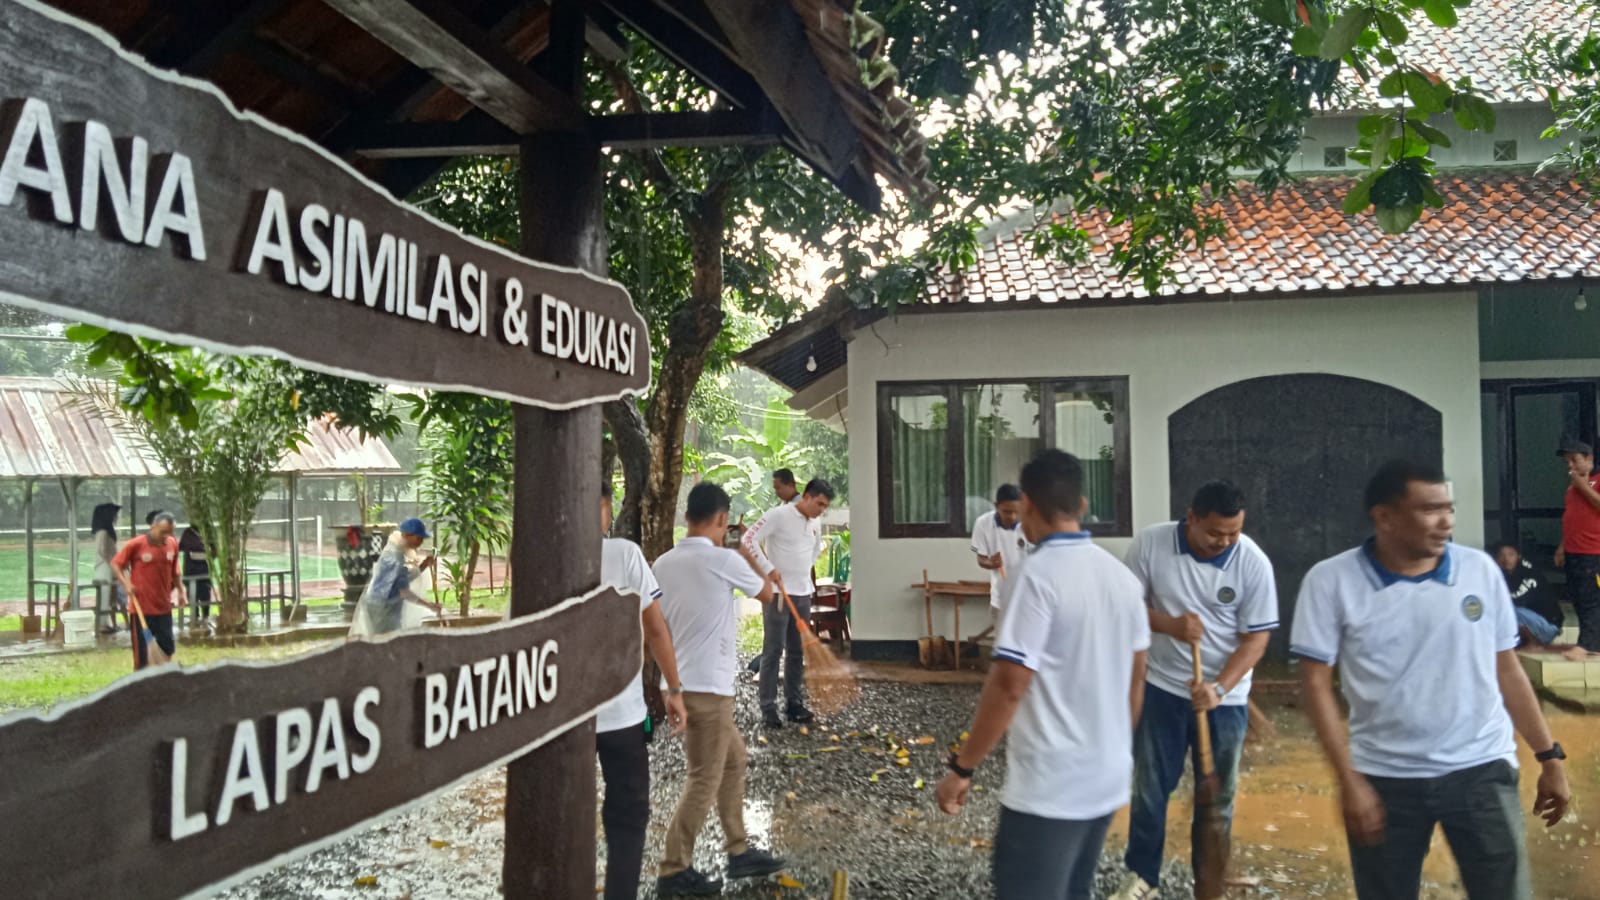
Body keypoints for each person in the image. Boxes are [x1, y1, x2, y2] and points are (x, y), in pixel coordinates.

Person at [1291, 460, 1571, 900]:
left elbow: (1507, 669)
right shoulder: (1331, 582)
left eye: (1449, 508)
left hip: (1481, 770)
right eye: (1430, 510)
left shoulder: (1480, 571)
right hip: (1384, 777)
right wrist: (1349, 781)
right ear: (1384, 516)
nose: (1446, 522)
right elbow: (1313, 685)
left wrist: (1549, 758)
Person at [936, 450, 1150, 900]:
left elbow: (1009, 686)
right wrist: (1114, 749)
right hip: (1106, 778)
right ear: (1082, 506)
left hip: (1050, 786)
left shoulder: (1035, 576)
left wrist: (962, 767)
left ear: (1027, 505)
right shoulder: (1122, 579)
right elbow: (1136, 680)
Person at [1113, 481, 1278, 900]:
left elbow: (1256, 640)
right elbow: (1124, 608)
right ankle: (1143, 877)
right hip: (1162, 688)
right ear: (1191, 518)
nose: (1224, 542)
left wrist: (1219, 688)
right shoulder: (1151, 544)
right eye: (1215, 533)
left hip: (1225, 699)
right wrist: (1169, 625)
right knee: (1150, 789)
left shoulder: (1252, 562)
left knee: (1217, 797)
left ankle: (1209, 885)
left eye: (1233, 533)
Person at [653, 482, 784, 897]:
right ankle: (673, 869)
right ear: (723, 519)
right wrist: (746, 552)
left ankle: (738, 849)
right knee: (703, 779)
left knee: (733, 759)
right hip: (709, 688)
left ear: (687, 516)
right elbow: (768, 594)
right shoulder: (722, 559)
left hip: (678, 684)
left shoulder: (662, 563)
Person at [595, 485, 688, 900]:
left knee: (561, 812)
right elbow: (655, 628)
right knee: (628, 816)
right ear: (602, 508)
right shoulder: (624, 555)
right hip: (621, 715)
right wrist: (673, 688)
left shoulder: (540, 559)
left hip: (560, 719)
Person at [741, 478, 834, 728]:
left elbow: (814, 550)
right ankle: (768, 708)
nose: (821, 510)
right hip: (778, 595)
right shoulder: (779, 515)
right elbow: (748, 539)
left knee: (796, 651)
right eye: (819, 504)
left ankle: (794, 704)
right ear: (806, 496)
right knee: (773, 651)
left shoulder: (815, 522)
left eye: (825, 506)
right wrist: (768, 568)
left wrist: (802, 574)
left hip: (803, 593)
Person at [112, 510, 187, 669]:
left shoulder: (172, 544)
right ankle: (141, 681)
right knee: (142, 656)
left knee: (167, 648)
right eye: (163, 532)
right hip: (141, 608)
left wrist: (181, 591)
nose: (166, 536)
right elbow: (117, 564)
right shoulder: (136, 544)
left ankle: (162, 677)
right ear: (153, 526)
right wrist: (126, 584)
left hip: (164, 607)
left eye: (170, 532)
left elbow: (175, 571)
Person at [350, 518, 438, 637]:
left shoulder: (394, 551)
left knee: (386, 641)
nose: (421, 542)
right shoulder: (395, 557)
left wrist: (424, 565)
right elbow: (404, 592)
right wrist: (429, 605)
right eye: (419, 538)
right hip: (383, 608)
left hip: (381, 605)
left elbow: (402, 579)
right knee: (388, 641)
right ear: (407, 535)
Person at [1554, 437, 1600, 652]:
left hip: (1593, 552)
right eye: (1567, 462)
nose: (1570, 466)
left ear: (1589, 459)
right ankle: (1592, 642)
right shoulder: (1571, 489)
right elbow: (1572, 517)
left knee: (1591, 598)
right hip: (1573, 551)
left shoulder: (1596, 481)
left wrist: (1582, 486)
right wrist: (1562, 546)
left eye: (1575, 460)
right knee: (1577, 597)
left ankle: (1587, 644)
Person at [971, 483, 1030, 615]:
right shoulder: (982, 523)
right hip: (999, 599)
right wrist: (990, 563)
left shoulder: (1030, 523)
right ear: (996, 506)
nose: (1012, 517)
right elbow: (980, 557)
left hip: (1028, 599)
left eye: (1016, 512)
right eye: (1007, 512)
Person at [1494, 542, 1563, 648]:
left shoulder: (1530, 574)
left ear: (1518, 556)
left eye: (1510, 554)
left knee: (1508, 610)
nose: (1506, 559)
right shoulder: (1501, 576)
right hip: (1527, 622)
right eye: (1502, 555)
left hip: (1547, 627)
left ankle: (1532, 643)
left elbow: (1518, 601)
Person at [90, 501, 126, 633]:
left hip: (107, 565)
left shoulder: (105, 531)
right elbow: (102, 551)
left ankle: (105, 623)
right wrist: (114, 563)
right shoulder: (103, 532)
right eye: (114, 514)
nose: (116, 517)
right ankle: (102, 624)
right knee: (104, 594)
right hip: (104, 566)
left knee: (108, 595)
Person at [178, 525, 212, 630]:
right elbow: (180, 547)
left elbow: (214, 550)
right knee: (192, 594)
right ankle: (195, 616)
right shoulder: (188, 532)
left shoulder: (208, 530)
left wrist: (207, 554)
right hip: (190, 570)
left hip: (204, 570)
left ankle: (205, 616)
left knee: (205, 592)